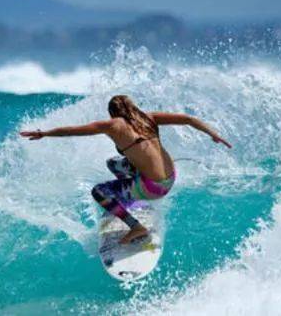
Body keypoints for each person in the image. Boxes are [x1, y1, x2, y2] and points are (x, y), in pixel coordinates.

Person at [20, 95, 232, 244]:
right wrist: (213, 134)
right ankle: (131, 199)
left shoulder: (114, 125)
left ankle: (136, 227)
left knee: (99, 192)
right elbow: (188, 119)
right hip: (170, 179)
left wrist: (44, 133)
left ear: (113, 113)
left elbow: (73, 131)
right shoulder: (149, 117)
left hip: (153, 188)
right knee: (114, 163)